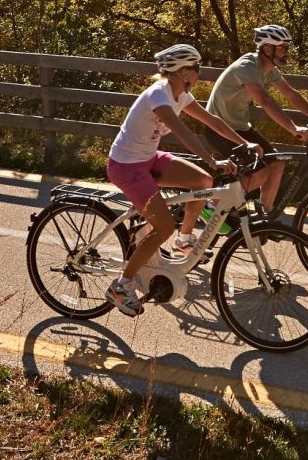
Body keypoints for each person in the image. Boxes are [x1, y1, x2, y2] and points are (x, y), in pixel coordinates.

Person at [105, 44, 256, 316]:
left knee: (202, 182)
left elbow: (212, 121)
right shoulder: (158, 96)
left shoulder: (181, 95)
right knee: (162, 227)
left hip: (149, 159)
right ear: (183, 72)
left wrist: (245, 143)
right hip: (127, 167)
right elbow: (184, 133)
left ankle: (183, 241)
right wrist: (213, 160)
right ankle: (121, 286)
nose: (200, 74)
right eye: (197, 69)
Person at [202, 24, 308, 216]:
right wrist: (293, 129)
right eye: (282, 47)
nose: (287, 52)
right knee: (260, 173)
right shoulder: (247, 67)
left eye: (287, 48)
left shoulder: (269, 69)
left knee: (277, 163)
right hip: (219, 128)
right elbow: (264, 101)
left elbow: (290, 93)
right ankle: (213, 205)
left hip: (240, 127)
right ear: (267, 48)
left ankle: (265, 215)